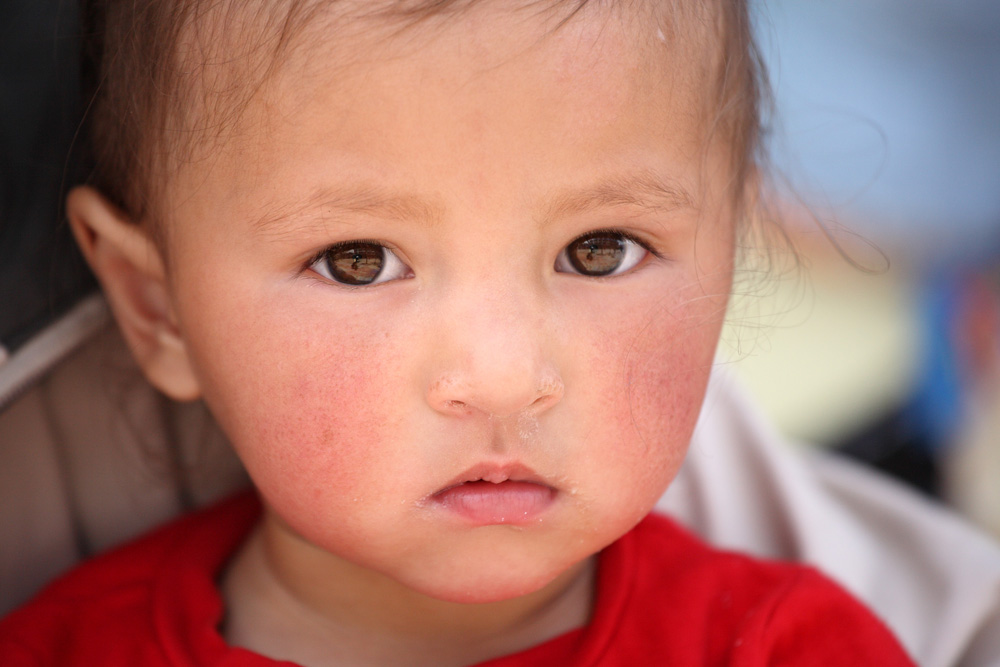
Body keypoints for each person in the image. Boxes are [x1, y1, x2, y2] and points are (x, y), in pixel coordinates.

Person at [0, 0, 916, 664]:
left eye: (600, 250)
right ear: (157, 306)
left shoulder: (793, 648)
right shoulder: (63, 649)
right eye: (358, 259)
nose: (504, 376)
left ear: (729, 250)